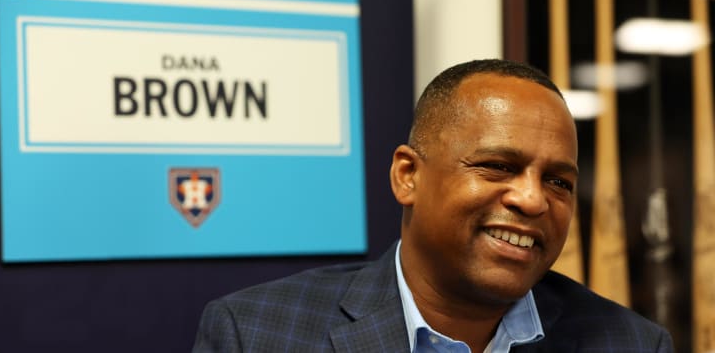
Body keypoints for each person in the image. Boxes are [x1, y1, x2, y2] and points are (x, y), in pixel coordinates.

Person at [192, 59, 674, 352]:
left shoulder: (629, 343)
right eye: (498, 166)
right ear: (408, 176)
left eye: (557, 181)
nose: (532, 199)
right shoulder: (256, 334)